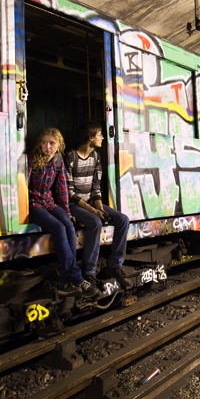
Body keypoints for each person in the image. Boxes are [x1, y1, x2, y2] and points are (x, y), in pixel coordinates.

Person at [28, 128, 100, 299]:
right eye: (44, 142)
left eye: (52, 143)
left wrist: (67, 212)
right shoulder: (32, 159)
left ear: (58, 144)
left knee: (68, 225)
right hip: (33, 204)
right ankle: (75, 278)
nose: (47, 146)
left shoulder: (59, 160)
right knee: (58, 228)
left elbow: (62, 189)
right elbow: (22, 184)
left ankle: (66, 281)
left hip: (48, 201)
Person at [65, 121, 133, 290]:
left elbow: (96, 189)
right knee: (95, 222)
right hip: (74, 204)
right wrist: (94, 211)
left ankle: (115, 265)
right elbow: (70, 194)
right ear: (90, 137)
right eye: (100, 134)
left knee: (122, 220)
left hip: (90, 202)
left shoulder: (96, 157)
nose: (103, 137)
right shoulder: (70, 157)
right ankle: (88, 272)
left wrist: (100, 210)